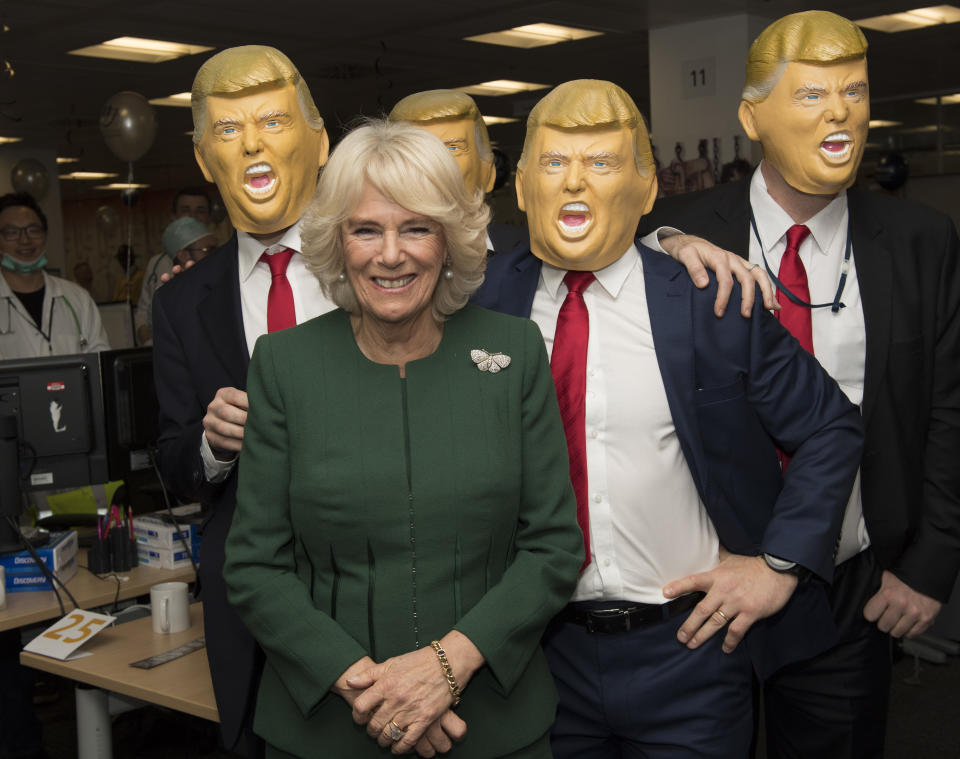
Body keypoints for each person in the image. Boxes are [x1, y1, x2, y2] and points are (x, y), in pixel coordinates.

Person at [472, 79, 864, 758]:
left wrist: (778, 564)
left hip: (690, 655)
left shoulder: (711, 303)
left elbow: (830, 426)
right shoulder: (475, 303)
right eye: (554, 163)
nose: (575, 185)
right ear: (523, 183)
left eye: (601, 164)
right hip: (535, 654)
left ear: (647, 187)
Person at [641, 11, 960, 758]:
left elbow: (948, 408)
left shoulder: (921, 243)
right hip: (696, 587)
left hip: (847, 587)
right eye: (813, 94)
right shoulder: (674, 236)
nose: (840, 111)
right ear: (752, 116)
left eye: (854, 90)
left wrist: (928, 567)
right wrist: (662, 239)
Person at [223, 118, 582, 759]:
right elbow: (255, 567)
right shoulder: (282, 364)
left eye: (416, 227)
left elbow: (552, 547)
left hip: (492, 727)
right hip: (326, 730)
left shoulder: (515, 350)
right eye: (367, 229)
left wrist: (444, 669)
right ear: (339, 242)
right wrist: (382, 693)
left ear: (450, 242)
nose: (391, 254)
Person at [151, 45, 331, 756]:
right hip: (248, 612)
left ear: (319, 143)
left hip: (380, 597)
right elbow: (170, 458)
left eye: (274, 120)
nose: (252, 144)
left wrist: (670, 239)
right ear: (203, 158)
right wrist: (210, 443)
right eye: (227, 130)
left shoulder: (381, 264)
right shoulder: (181, 304)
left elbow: (511, 269)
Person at [388, 89, 527, 256]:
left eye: (453, 149)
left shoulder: (536, 257)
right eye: (416, 150)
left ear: (488, 174)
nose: (436, 166)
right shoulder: (364, 259)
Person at [0, 192, 109, 359]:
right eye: (12, 232)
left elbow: (100, 363)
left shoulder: (77, 298)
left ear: (45, 236)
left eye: (33, 230)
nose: (25, 240)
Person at [135, 186, 212, 345]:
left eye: (200, 210)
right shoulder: (157, 264)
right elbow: (144, 310)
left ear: (209, 217)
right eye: (186, 210)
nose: (193, 217)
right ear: (173, 216)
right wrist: (149, 343)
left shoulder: (224, 260)